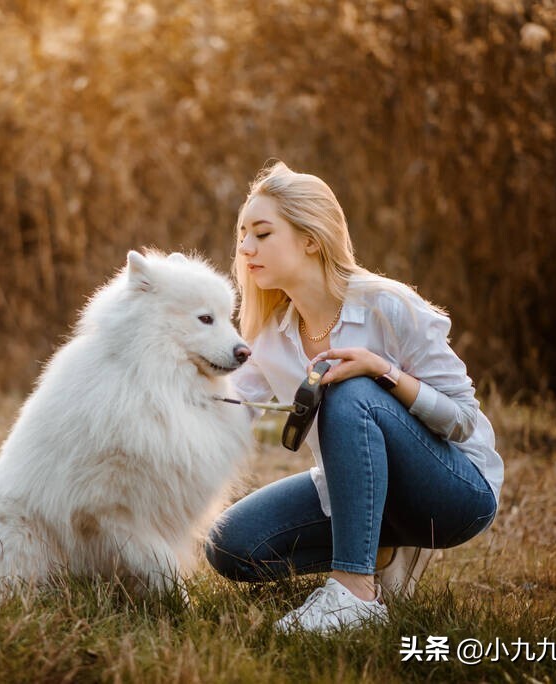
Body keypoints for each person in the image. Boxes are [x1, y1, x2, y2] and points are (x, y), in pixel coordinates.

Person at [205, 161, 503, 634]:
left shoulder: (388, 306)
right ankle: (376, 549)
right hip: (354, 491)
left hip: (455, 493)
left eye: (261, 234)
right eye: (242, 235)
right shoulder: (269, 339)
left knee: (350, 389)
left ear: (310, 238)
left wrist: (383, 372)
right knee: (230, 545)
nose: (244, 248)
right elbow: (224, 410)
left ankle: (354, 593)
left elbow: (464, 420)